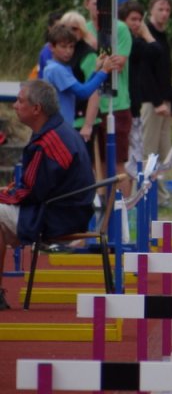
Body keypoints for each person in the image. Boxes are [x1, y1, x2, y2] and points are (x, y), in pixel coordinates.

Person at [0, 80, 97, 310]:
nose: (14, 105)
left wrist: (7, 194)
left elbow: (32, 192)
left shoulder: (48, 142)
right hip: (70, 210)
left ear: (37, 109)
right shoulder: (60, 131)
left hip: (58, 217)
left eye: (20, 100)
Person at [83, 0, 133, 196]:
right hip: (88, 103)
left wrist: (95, 43)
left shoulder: (119, 28)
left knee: (116, 163)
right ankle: (103, 207)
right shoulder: (81, 28)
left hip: (116, 103)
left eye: (105, 4)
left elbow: (118, 62)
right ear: (87, 5)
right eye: (96, 4)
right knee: (96, 164)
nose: (100, 9)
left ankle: (125, 210)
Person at [118, 0, 161, 176]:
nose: (137, 24)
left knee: (135, 151)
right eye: (133, 19)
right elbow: (156, 51)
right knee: (133, 154)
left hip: (133, 101)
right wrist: (146, 33)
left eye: (139, 20)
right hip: (128, 101)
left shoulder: (129, 40)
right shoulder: (132, 42)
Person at [42, 25, 113, 127]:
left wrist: (96, 71)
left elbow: (82, 89)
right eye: (63, 46)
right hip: (60, 127)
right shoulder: (56, 69)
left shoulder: (58, 67)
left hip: (63, 125)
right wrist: (104, 72)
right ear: (51, 47)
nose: (68, 51)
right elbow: (83, 93)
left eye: (71, 46)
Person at [141, 0, 172, 207]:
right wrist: (156, 101)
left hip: (165, 99)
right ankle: (145, 194)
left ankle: (160, 195)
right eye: (160, 9)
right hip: (150, 101)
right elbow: (144, 73)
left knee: (165, 150)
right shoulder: (147, 34)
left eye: (167, 10)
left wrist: (168, 101)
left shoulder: (163, 35)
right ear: (151, 10)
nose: (164, 14)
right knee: (148, 149)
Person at [58, 10, 101, 158]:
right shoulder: (61, 53)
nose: (69, 31)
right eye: (65, 27)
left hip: (82, 119)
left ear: (82, 31)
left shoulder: (88, 55)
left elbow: (95, 89)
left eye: (74, 28)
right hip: (65, 119)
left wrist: (88, 125)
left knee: (83, 166)